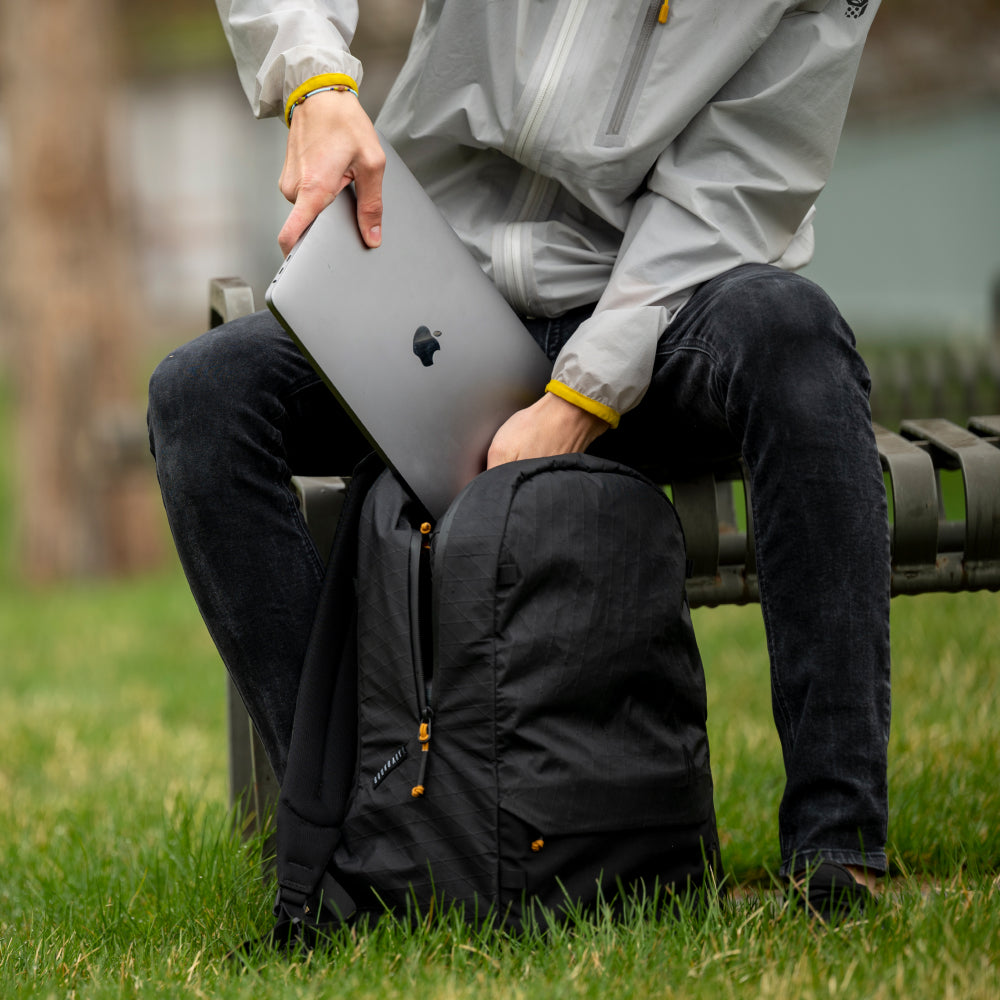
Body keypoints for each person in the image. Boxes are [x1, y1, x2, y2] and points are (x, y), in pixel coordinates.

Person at [148, 0, 890, 919]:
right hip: (436, 287)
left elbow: (746, 173)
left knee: (795, 336)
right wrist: (313, 80)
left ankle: (837, 846)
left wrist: (579, 397)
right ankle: (361, 846)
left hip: (662, 308)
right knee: (202, 399)